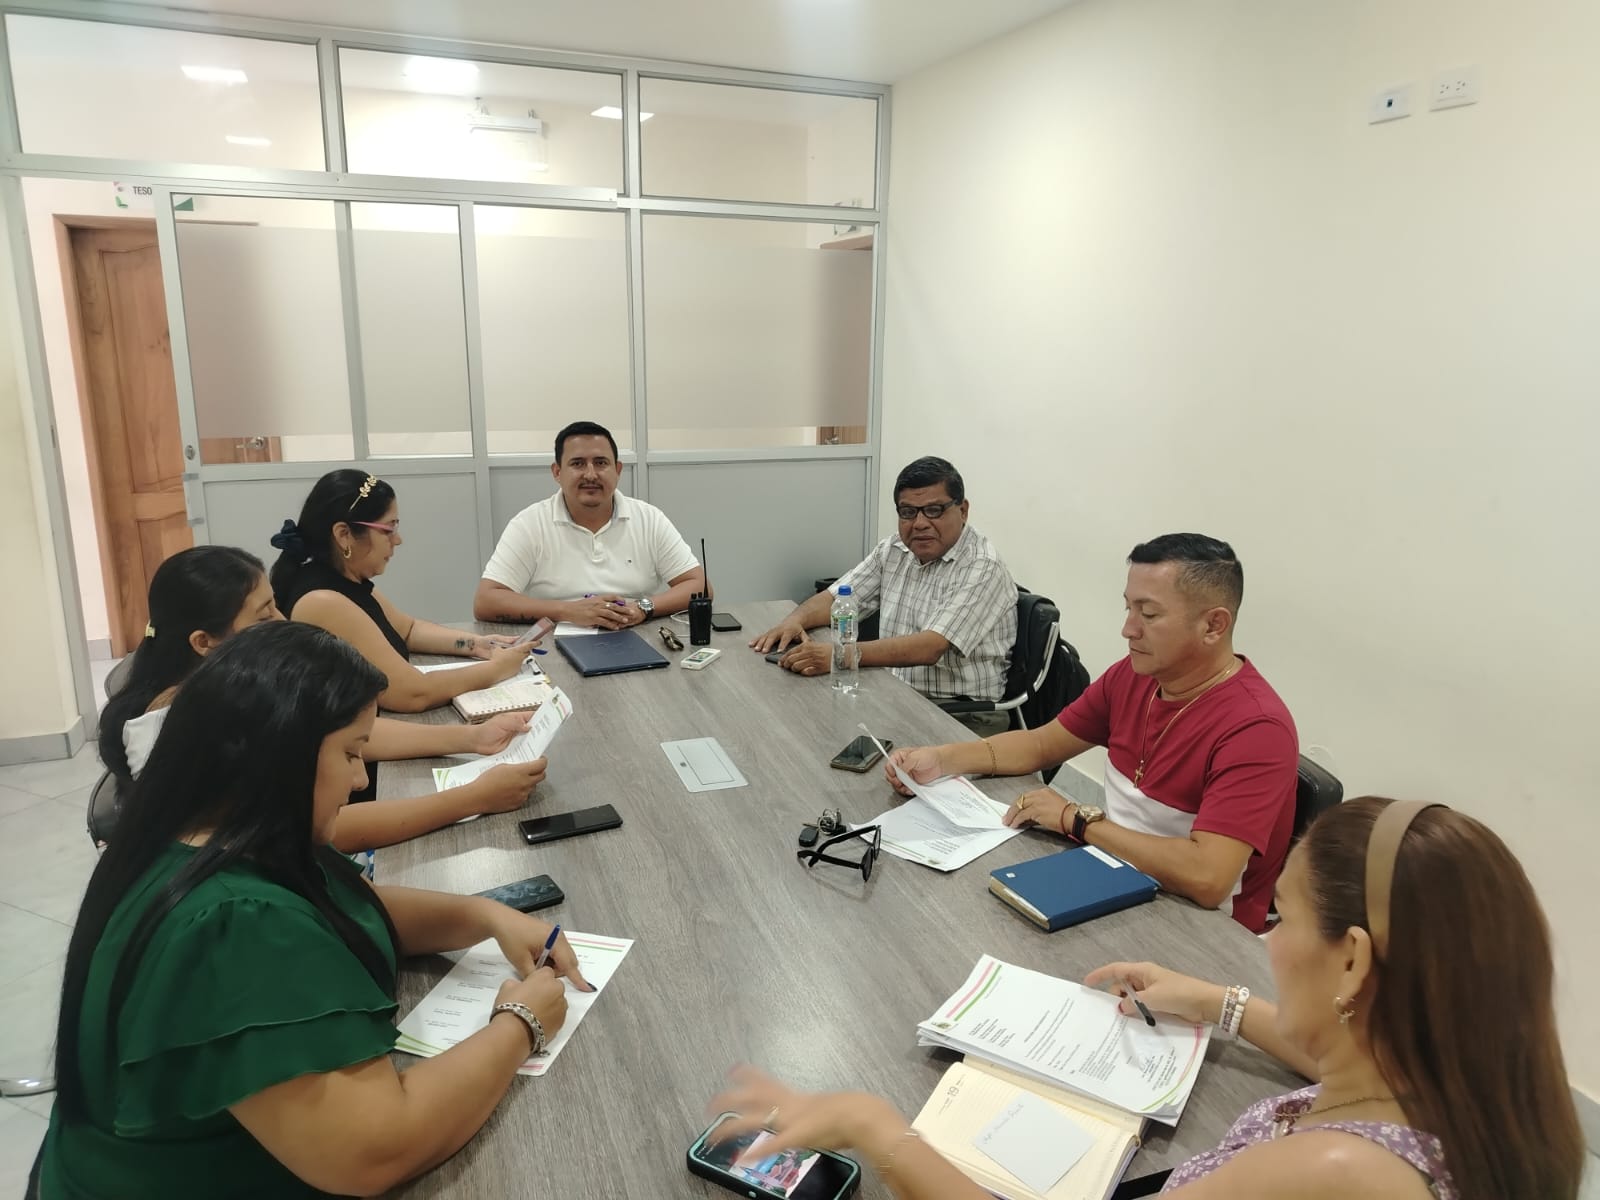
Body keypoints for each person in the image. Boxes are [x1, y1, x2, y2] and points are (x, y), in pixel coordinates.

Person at [706, 798, 1585, 1200]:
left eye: (1281, 917)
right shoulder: (1457, 1077)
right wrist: (1218, 1002)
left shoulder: (1338, 1175)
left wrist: (876, 1129)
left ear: (1352, 963)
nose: (1266, 941)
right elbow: (1334, 1052)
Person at [37, 621, 596, 1198]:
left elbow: (341, 905)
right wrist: (521, 1024)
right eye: (351, 753)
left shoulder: (210, 830)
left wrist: (485, 917)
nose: (359, 778)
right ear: (279, 757)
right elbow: (377, 1150)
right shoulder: (236, 925)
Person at [889, 533, 1295, 932]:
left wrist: (1077, 820)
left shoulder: (1256, 729)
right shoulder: (1133, 677)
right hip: (1119, 880)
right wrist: (942, 759)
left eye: (1149, 615)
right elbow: (1040, 744)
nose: (1128, 629)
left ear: (1213, 625)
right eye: (1128, 608)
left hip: (1203, 931)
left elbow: (1207, 878)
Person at [99, 546, 546, 850]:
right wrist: (473, 798)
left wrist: (470, 739)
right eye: (263, 616)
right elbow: (320, 830)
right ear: (204, 642)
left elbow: (344, 734)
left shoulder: (233, 688)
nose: (282, 621)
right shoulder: (182, 731)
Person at [750, 457, 1016, 720]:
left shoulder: (982, 566)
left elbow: (930, 647)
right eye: (908, 512)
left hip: (959, 714)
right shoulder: (894, 550)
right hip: (893, 693)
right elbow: (837, 597)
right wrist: (794, 620)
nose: (920, 523)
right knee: (791, 714)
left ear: (963, 510)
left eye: (934, 510)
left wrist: (841, 655)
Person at [272, 469, 530, 713]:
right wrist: (498, 669)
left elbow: (407, 630)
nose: (397, 539)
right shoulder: (322, 601)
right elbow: (412, 693)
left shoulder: (347, 580)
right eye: (388, 529)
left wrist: (477, 645)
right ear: (344, 535)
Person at [473, 421, 706, 628]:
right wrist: (568, 611)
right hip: (555, 642)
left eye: (601, 463)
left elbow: (698, 585)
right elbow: (486, 601)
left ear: (617, 470)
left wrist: (643, 607)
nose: (591, 475)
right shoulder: (529, 524)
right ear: (557, 472)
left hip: (635, 634)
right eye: (578, 464)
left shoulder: (649, 519)